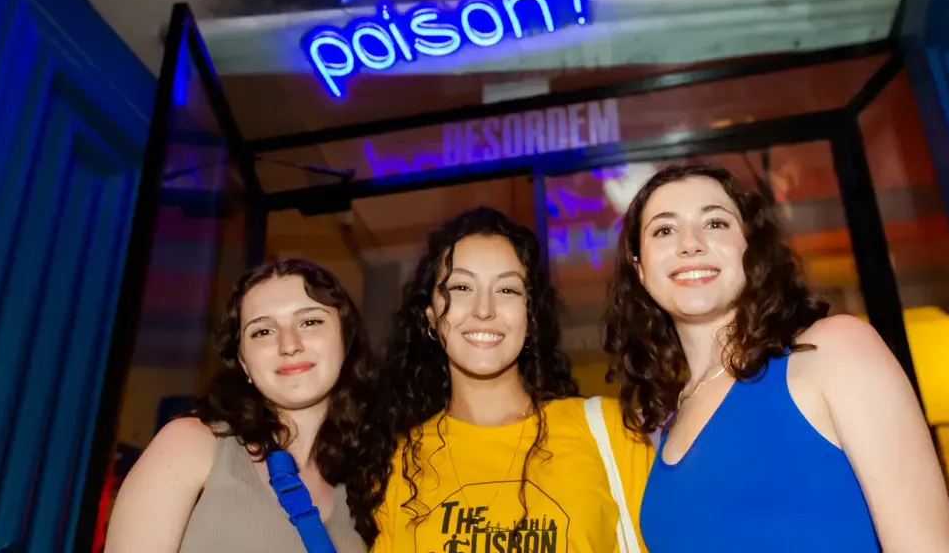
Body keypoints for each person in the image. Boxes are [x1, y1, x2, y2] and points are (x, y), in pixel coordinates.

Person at [602, 163, 949, 552]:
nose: (690, 243)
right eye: (665, 230)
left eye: (716, 223)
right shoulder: (668, 418)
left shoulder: (834, 350)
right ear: (639, 268)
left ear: (750, 247)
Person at [368, 206, 654, 553]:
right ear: (431, 315)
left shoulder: (608, 431)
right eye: (461, 287)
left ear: (530, 317)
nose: (484, 309)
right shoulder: (399, 463)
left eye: (507, 290)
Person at [105, 259, 387, 552]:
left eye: (310, 322)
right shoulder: (192, 444)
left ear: (345, 339)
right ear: (244, 362)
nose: (289, 344)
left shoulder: (367, 486)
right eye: (263, 331)